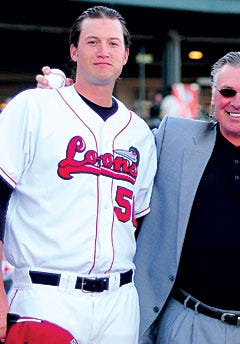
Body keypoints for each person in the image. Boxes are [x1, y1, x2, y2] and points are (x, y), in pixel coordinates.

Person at [0, 6, 157, 343]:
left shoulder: (139, 133)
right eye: (92, 41)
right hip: (47, 295)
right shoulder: (35, 107)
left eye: (113, 44)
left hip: (120, 301)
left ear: (126, 55)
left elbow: (138, 222)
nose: (103, 51)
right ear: (73, 50)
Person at [134, 51, 240, 343]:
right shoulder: (172, 137)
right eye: (227, 91)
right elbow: (116, 147)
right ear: (212, 96)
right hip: (187, 322)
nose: (237, 102)